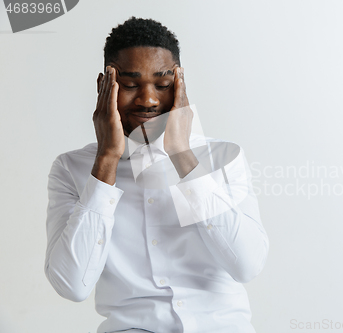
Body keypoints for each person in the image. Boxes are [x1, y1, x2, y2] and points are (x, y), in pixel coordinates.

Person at [44, 17, 269, 333]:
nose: (148, 99)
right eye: (131, 84)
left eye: (162, 85)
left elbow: (247, 265)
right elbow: (72, 285)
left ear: (180, 85)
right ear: (104, 86)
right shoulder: (72, 169)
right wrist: (106, 160)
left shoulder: (223, 157)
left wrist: (182, 154)